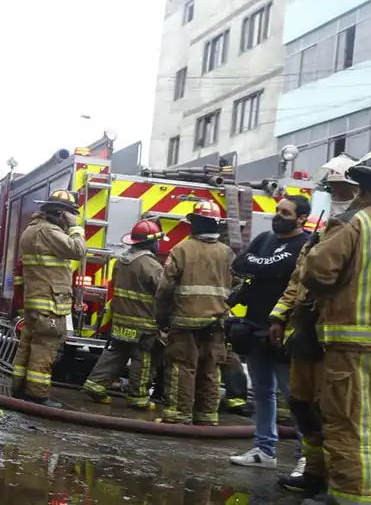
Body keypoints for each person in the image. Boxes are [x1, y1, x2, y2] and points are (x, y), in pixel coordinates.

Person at [301, 148, 371, 505]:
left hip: (356, 344)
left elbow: (318, 271)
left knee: (353, 427)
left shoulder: (359, 221)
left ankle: (350, 499)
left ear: (365, 185)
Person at [272, 164, 358, 496]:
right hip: (306, 334)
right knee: (302, 405)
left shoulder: (358, 229)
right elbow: (298, 281)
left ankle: (335, 482)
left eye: (341, 189)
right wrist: (279, 317)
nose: (335, 195)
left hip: (335, 337)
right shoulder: (322, 233)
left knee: (331, 412)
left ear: (359, 190)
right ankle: (314, 472)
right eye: (331, 189)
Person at [227, 195, 311, 468]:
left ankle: (306, 457)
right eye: (277, 210)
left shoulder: (306, 245)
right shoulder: (264, 239)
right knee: (263, 392)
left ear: (301, 218)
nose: (277, 216)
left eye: (285, 212)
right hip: (254, 327)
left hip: (285, 332)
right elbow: (240, 262)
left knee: (295, 395)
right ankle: (264, 450)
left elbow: (280, 268)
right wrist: (264, 266)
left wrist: (260, 265)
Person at [155, 200, 233, 425]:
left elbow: (164, 288)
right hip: (216, 323)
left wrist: (161, 318)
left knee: (182, 367)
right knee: (211, 369)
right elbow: (236, 285)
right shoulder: (227, 253)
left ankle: (179, 416)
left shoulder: (181, 249)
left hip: (184, 321)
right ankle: (207, 417)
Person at [10, 189, 87, 408]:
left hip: (36, 301)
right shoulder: (49, 232)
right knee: (45, 348)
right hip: (50, 305)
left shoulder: (32, 230)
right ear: (62, 214)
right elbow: (78, 250)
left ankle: (19, 389)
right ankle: (37, 394)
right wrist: (75, 227)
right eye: (70, 214)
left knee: (27, 346)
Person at [82, 218, 164, 410]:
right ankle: (138, 398)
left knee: (115, 353)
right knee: (143, 359)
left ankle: (96, 385)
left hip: (121, 320)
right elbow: (163, 291)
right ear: (151, 242)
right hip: (143, 323)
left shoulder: (121, 261)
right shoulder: (151, 265)